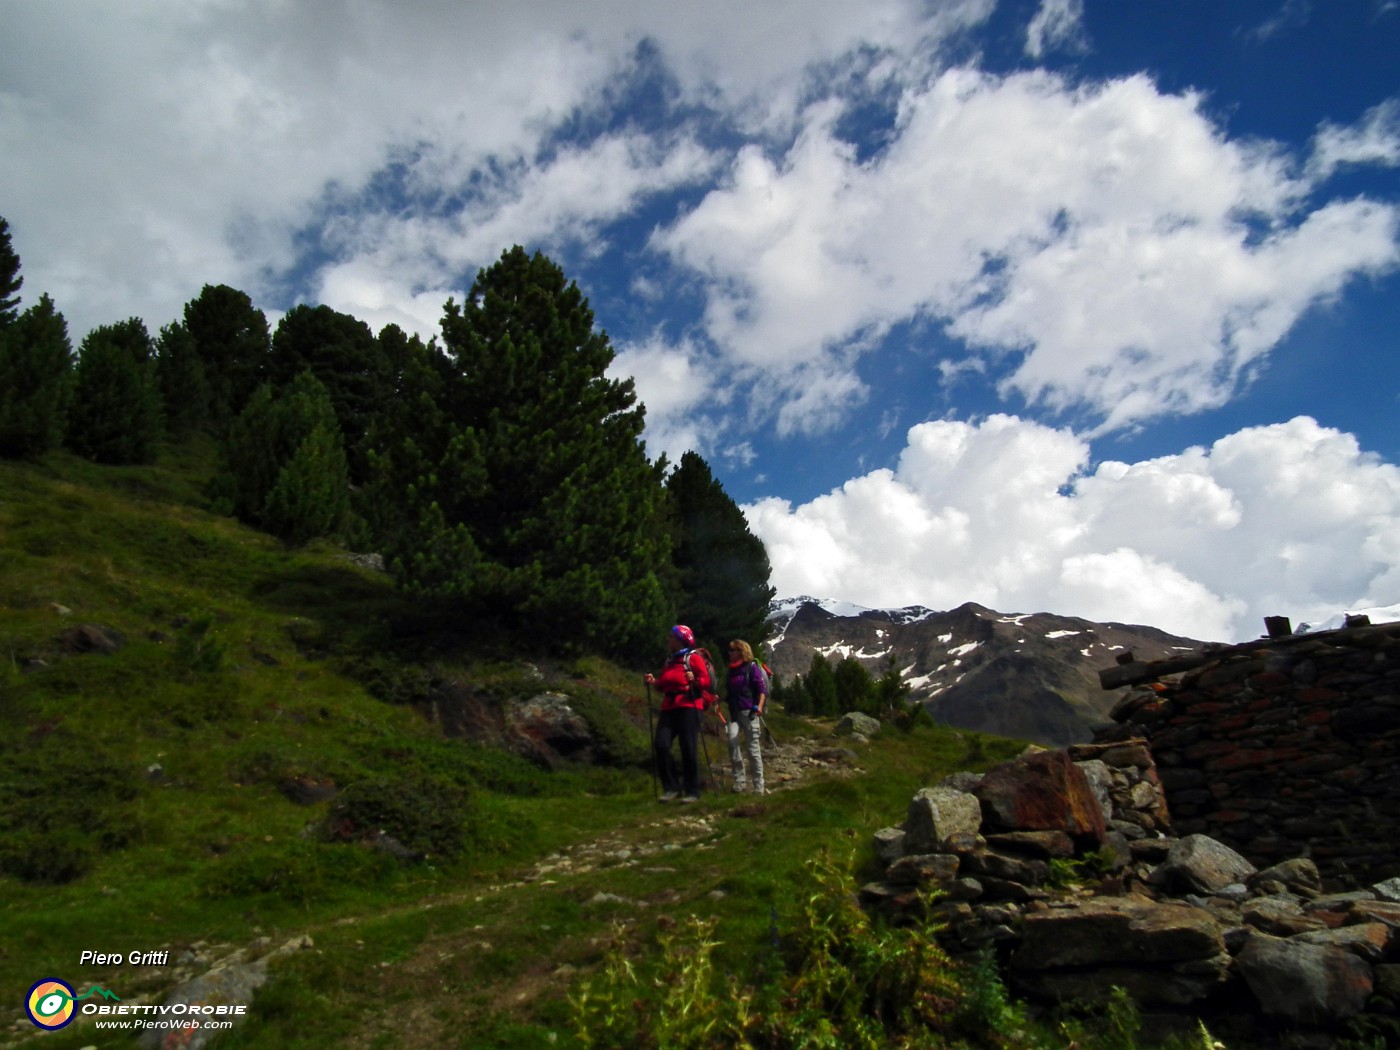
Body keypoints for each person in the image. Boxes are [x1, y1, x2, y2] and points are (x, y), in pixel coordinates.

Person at [645, 624, 711, 803]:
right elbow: (663, 685)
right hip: (670, 706)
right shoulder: (669, 661)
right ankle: (671, 787)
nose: (668, 640)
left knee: (688, 747)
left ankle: (692, 790)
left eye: (671, 637)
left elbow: (705, 681)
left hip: (689, 705)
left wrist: (695, 680)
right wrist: (654, 682)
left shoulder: (693, 657)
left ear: (680, 639)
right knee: (661, 744)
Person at [724, 640, 768, 794]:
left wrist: (760, 706)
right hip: (734, 713)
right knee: (732, 742)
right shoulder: (731, 671)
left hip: (750, 712)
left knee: (752, 749)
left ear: (741, 651)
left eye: (733, 650)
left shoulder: (752, 668)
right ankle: (739, 781)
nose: (730, 653)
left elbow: (761, 689)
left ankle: (758, 785)